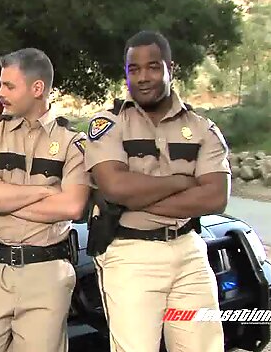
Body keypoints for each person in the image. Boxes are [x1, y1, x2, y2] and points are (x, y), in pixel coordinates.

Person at [85, 30, 231, 352]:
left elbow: (215, 197)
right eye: (133, 70)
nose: (142, 77)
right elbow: (115, 186)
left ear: (170, 69)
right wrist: (183, 181)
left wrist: (135, 199)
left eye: (152, 67)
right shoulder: (109, 125)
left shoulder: (201, 128)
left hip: (190, 252)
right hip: (131, 256)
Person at [0, 47, 91, 352]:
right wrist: (45, 192)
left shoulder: (73, 141)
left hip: (46, 274)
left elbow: (71, 206)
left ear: (37, 88)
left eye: (8, 86)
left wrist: (5, 199)